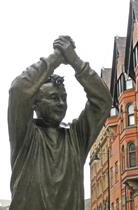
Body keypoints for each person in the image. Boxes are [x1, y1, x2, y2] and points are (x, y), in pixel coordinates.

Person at [8, 36, 111, 210]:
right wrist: (56, 57)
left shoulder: (76, 137)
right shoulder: (24, 134)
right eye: (54, 98)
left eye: (64, 98)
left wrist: (75, 61)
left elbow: (103, 102)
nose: (61, 104)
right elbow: (18, 90)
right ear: (35, 103)